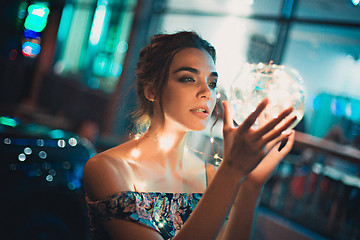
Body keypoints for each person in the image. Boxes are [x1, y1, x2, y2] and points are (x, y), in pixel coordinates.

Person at [82, 31, 297, 240]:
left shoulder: (211, 177)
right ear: (152, 90)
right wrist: (231, 172)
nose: (206, 92)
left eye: (212, 83)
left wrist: (251, 186)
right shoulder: (107, 168)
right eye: (188, 79)